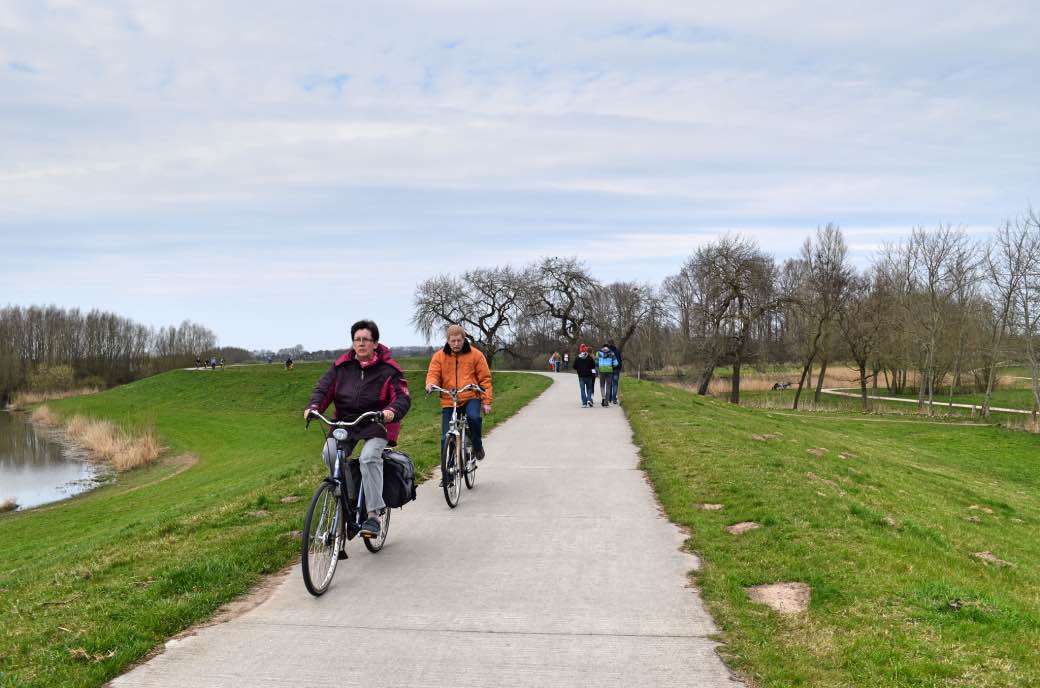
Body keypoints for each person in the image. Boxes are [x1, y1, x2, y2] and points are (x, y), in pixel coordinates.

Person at [304, 319, 410, 539]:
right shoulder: (340, 367)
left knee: (369, 458)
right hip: (346, 422)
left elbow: (401, 397)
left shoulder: (389, 370)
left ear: (375, 343)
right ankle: (347, 495)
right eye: (357, 339)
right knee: (330, 453)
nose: (361, 343)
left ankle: (373, 516)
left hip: (376, 422)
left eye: (365, 339)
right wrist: (313, 407)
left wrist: (391, 411)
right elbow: (323, 389)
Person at [425, 324, 493, 462]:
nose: (456, 344)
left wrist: (486, 402)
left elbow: (485, 379)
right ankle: (446, 478)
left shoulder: (476, 355)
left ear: (464, 339)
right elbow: (433, 373)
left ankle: (477, 446)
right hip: (449, 399)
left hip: (470, 396)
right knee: (446, 437)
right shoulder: (439, 356)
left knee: (474, 418)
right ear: (448, 341)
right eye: (452, 341)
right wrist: (431, 383)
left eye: (459, 340)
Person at [573, 343, 597, 407]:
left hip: (581, 376)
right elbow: (593, 366)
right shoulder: (589, 357)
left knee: (582, 389)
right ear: (585, 350)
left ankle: (584, 403)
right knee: (589, 388)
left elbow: (574, 366)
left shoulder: (577, 358)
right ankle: (589, 399)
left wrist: (579, 369)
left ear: (580, 350)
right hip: (589, 376)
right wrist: (594, 374)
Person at [606, 339, 622, 404]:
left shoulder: (606, 351)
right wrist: (619, 368)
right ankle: (614, 399)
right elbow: (619, 360)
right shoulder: (617, 351)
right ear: (613, 343)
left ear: (608, 343)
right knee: (615, 384)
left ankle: (609, 399)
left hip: (608, 369)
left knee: (609, 384)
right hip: (616, 369)